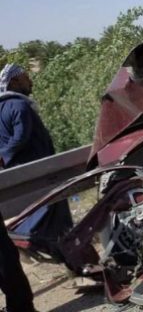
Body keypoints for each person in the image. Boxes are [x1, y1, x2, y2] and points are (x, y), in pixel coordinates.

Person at [0, 64, 46, 312]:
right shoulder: (18, 105)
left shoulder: (5, 106)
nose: (30, 81)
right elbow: (18, 138)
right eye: (25, 78)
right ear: (15, 82)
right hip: (34, 175)